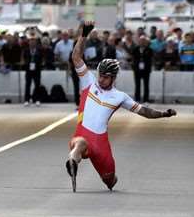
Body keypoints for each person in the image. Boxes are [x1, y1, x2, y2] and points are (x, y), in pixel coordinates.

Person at [67, 21, 177, 192]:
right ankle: (73, 161)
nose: (101, 80)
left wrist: (163, 114)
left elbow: (144, 111)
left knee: (111, 181)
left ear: (113, 78)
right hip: (83, 134)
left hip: (101, 142)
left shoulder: (120, 96)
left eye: (106, 77)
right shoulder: (88, 82)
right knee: (79, 143)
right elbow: (76, 57)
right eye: (100, 76)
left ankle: (107, 176)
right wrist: (83, 36)